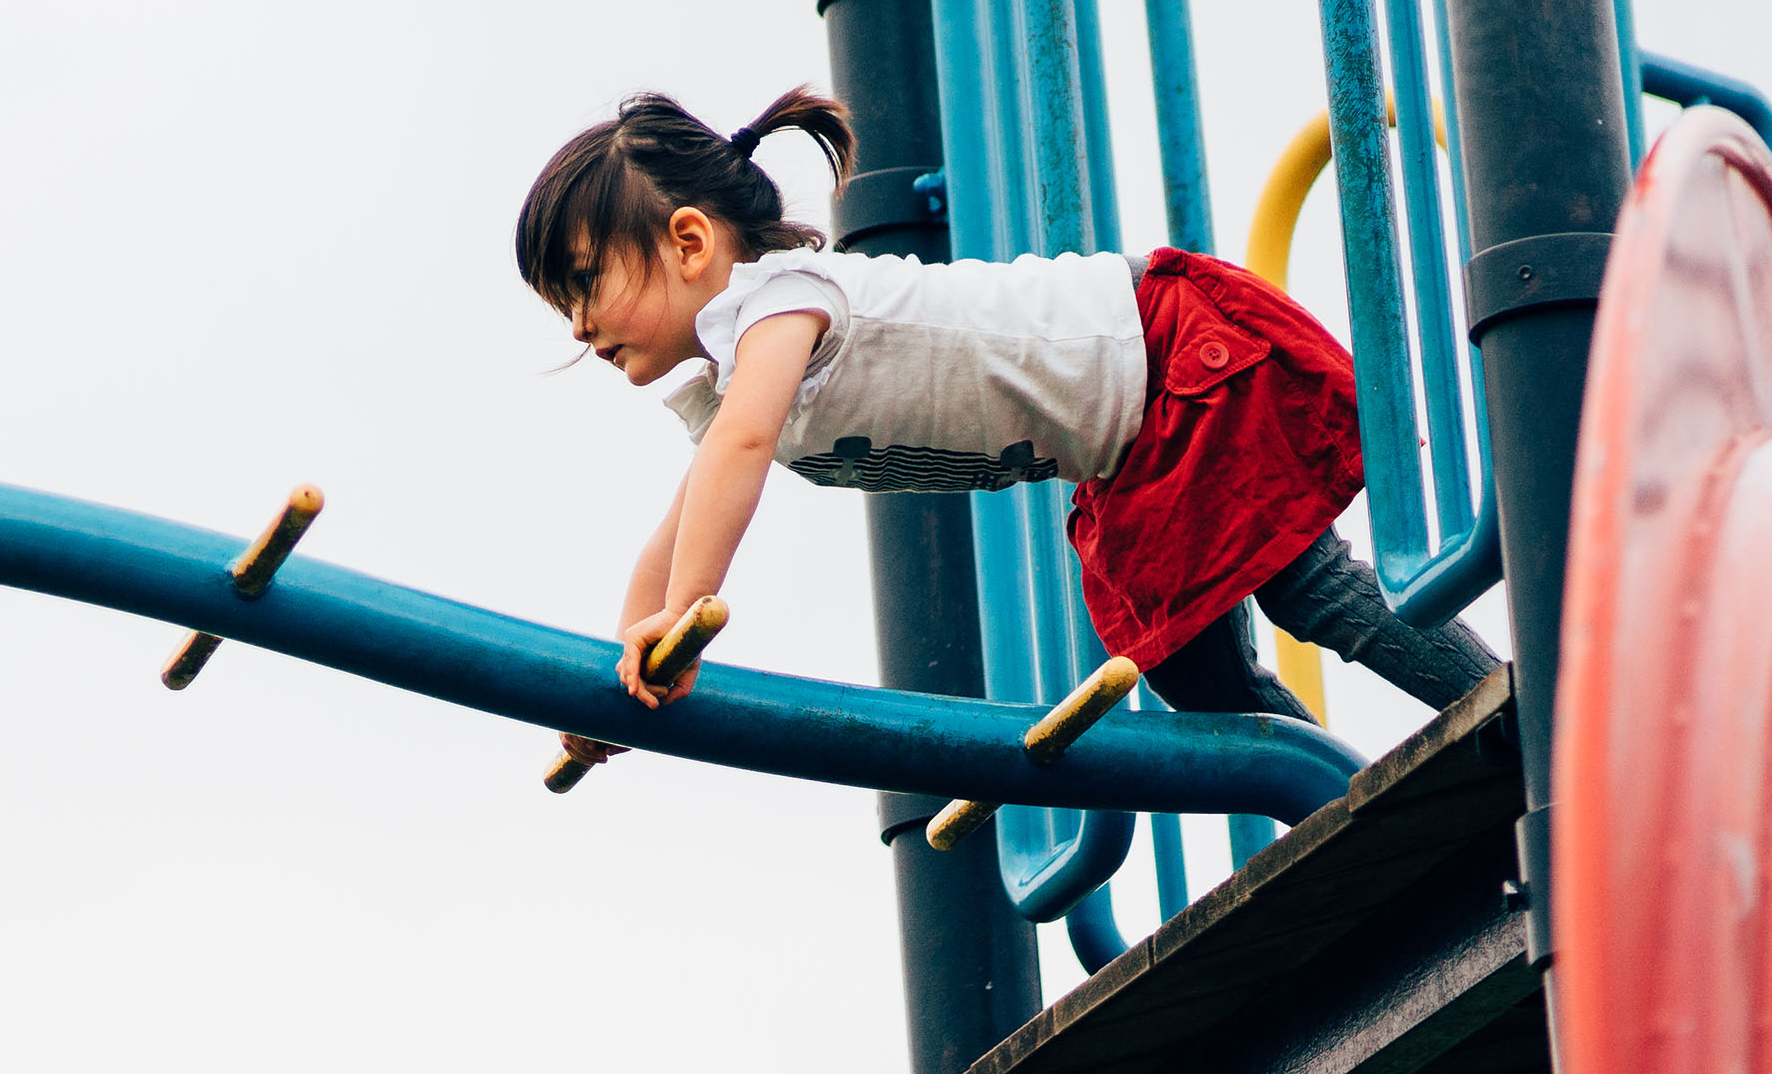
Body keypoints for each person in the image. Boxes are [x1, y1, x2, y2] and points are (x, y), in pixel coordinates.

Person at [514, 86, 1494, 725]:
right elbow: (676, 522)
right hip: (1126, 451)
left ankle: (1513, 714)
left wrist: (685, 612)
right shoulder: (736, 377)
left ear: (689, 243)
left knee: (1303, 583)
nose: (576, 326)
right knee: (1192, 673)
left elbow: (743, 447)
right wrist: (620, 673)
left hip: (1171, 357)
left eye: (585, 282)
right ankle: (1338, 807)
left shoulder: (783, 298)